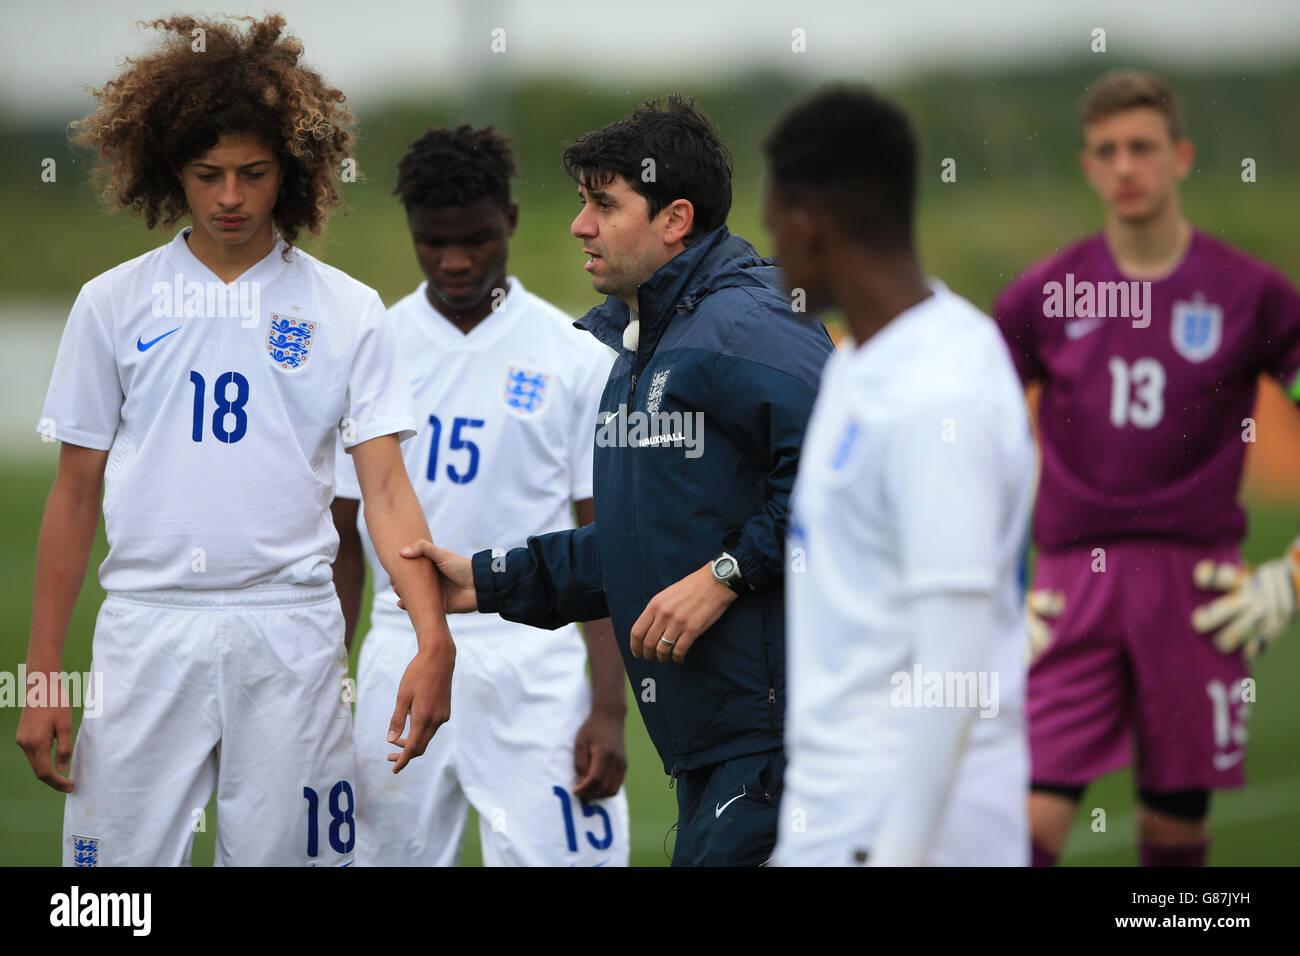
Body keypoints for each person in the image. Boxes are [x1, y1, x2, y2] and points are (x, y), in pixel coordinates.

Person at [16, 14, 454, 867]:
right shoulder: (112, 304)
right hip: (148, 630)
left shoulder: (346, 309)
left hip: (290, 632)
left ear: (290, 172)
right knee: (109, 896)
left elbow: (389, 492)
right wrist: (40, 678)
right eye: (208, 174)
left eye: (254, 173)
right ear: (168, 172)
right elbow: (71, 496)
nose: (230, 197)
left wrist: (431, 633)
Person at [402, 94, 834, 866]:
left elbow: (844, 483)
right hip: (717, 741)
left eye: (604, 204)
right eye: (580, 202)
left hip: (783, 738)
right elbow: (645, 543)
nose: (579, 225)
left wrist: (728, 576)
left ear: (674, 219)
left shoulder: (748, 326)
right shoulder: (640, 348)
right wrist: (489, 580)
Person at [992, 70, 1300, 867]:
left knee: (1173, 837)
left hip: (1197, 592)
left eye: (1142, 147)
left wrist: (1294, 575)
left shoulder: (1254, 295)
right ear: (1089, 167)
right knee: (1025, 829)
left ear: (1181, 156)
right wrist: (993, 590)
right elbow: (964, 439)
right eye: (1107, 151)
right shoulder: (1044, 295)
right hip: (1070, 590)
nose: (1125, 166)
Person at [331, 125, 630, 866]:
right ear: (411, 232)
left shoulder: (577, 355)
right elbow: (341, 544)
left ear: (513, 222)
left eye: (476, 239)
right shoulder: (372, 347)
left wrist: (609, 704)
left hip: (535, 661)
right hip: (399, 653)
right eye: (434, 242)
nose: (456, 260)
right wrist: (326, 690)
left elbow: (610, 548)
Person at [760, 86, 1035, 866]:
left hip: (896, 826)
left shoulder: (934, 397)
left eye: (775, 219)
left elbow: (954, 664)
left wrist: (900, 850)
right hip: (845, 810)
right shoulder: (869, 355)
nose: (773, 248)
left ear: (807, 221)